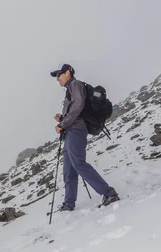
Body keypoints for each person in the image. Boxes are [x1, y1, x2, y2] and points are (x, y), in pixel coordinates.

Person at [51, 63, 120, 211]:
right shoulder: (70, 89)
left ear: (68, 72)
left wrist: (63, 123)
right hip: (70, 131)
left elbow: (79, 105)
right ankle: (69, 204)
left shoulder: (75, 84)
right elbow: (76, 109)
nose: (57, 79)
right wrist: (62, 119)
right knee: (69, 170)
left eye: (59, 75)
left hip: (75, 130)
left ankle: (109, 193)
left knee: (79, 164)